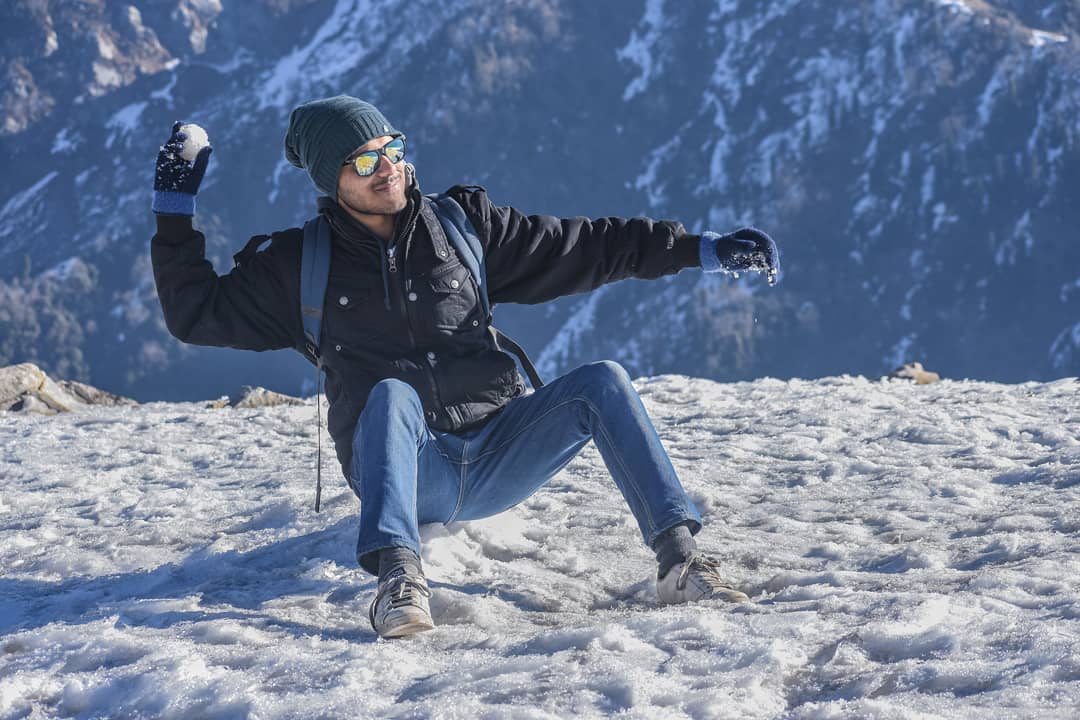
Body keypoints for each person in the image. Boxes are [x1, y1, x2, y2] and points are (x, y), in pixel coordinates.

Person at [150, 95, 780, 639]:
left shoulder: (461, 227)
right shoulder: (298, 266)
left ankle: (681, 561)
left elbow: (584, 246)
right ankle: (399, 582)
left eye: (391, 148)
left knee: (602, 382)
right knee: (391, 394)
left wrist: (698, 249)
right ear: (329, 178)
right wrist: (173, 214)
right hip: (407, 470)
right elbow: (196, 312)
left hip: (500, 448)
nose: (387, 169)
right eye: (364, 161)